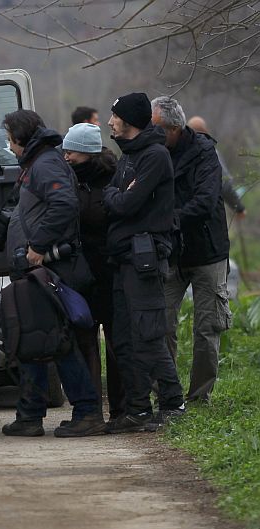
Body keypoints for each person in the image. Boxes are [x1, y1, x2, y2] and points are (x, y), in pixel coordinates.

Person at [0, 109, 104, 438]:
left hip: (51, 269)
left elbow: (64, 204)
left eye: (9, 139)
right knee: (36, 338)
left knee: (56, 341)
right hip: (37, 271)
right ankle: (30, 415)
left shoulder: (45, 164)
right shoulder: (39, 163)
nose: (9, 146)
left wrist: (38, 248)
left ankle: (87, 412)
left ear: (20, 138)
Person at [102, 92, 185, 433]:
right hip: (123, 259)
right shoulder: (129, 156)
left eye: (115, 116)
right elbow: (113, 195)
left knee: (149, 335)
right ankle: (137, 409)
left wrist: (118, 197)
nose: (110, 122)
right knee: (123, 338)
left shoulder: (154, 157)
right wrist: (117, 195)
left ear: (130, 122)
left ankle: (172, 403)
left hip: (145, 260)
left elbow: (125, 205)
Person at [152, 98, 231, 403]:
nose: (151, 133)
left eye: (156, 128)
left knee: (206, 328)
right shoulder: (155, 153)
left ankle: (199, 396)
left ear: (174, 128)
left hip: (207, 252)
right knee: (162, 324)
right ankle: (167, 394)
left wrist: (166, 219)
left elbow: (206, 199)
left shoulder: (204, 152)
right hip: (171, 252)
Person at [61, 123, 125, 423]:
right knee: (85, 341)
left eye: (71, 151)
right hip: (80, 273)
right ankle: (90, 411)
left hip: (110, 272)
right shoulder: (68, 180)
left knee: (115, 342)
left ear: (87, 152)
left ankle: (121, 409)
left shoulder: (113, 179)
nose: (66, 157)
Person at [186, 115, 246, 219]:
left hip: (182, 217)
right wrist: (239, 208)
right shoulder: (212, 154)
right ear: (206, 132)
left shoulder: (179, 152)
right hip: (207, 218)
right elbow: (225, 185)